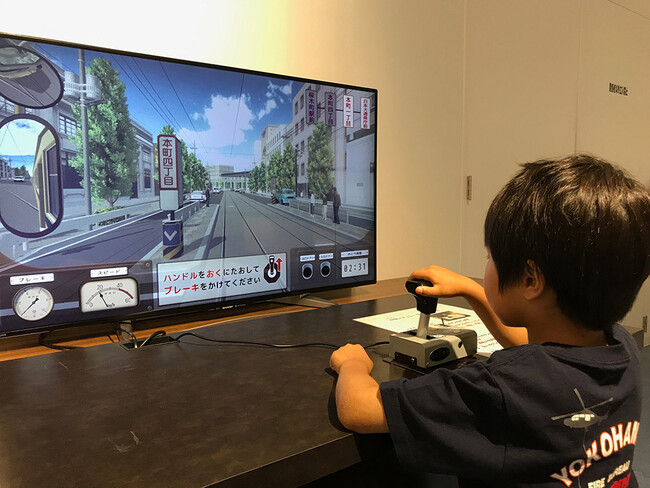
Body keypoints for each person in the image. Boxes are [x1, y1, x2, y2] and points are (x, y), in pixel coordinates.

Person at [329, 154, 650, 487]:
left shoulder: (502, 387)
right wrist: (472, 290)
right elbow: (537, 350)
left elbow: (359, 409)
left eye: (490, 257)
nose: (485, 267)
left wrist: (353, 364)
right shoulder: (620, 347)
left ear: (530, 279)